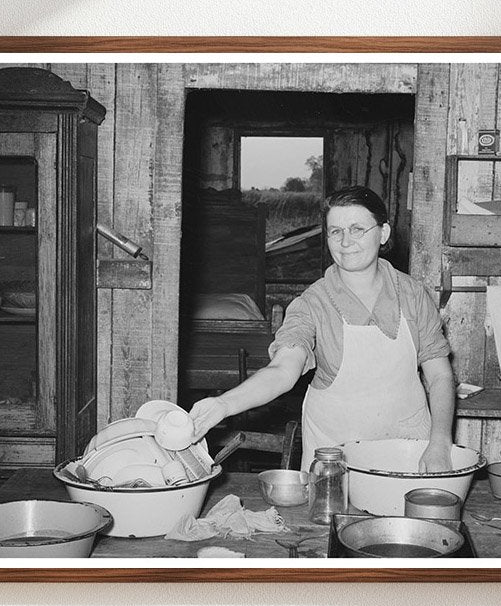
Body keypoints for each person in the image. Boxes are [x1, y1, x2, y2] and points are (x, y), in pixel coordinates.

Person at [189, 185, 456, 472]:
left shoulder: (413, 295)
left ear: (384, 233)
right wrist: (223, 405)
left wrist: (440, 441)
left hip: (408, 449)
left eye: (357, 229)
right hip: (337, 459)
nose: (345, 241)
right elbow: (282, 371)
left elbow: (439, 375)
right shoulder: (312, 304)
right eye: (335, 231)